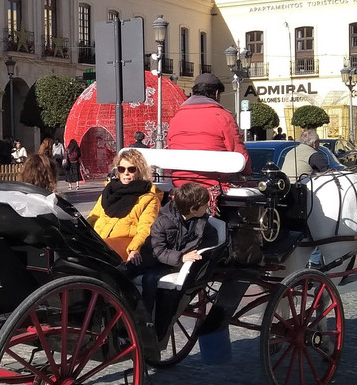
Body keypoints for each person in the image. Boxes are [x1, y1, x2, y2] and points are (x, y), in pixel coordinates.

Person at [124, 182, 215, 316]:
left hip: (169, 264)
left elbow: (211, 238)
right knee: (123, 274)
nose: (208, 206)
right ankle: (129, 312)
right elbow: (158, 251)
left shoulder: (201, 221)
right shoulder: (163, 222)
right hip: (153, 258)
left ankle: (147, 319)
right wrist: (181, 257)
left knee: (150, 278)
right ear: (193, 209)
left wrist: (198, 251)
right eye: (205, 204)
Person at [166, 72, 250, 193]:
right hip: (213, 185)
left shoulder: (176, 118)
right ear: (216, 94)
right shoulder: (223, 117)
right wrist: (248, 172)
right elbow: (239, 152)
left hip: (180, 185)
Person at [85, 148, 162, 263]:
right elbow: (94, 216)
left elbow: (145, 228)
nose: (126, 173)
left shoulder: (149, 198)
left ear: (139, 171)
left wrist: (134, 249)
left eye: (131, 169)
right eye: (122, 169)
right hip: (99, 242)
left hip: (123, 246)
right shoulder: (109, 191)